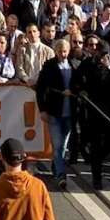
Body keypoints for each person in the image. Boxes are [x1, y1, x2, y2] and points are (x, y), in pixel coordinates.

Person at [73, 41, 110, 189]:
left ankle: (97, 159)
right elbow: (76, 81)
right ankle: (97, 177)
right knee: (96, 144)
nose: (102, 57)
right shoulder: (88, 64)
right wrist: (81, 90)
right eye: (100, 54)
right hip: (93, 111)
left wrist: (109, 68)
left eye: (105, 55)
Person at [36, 38, 74, 188]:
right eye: (60, 51)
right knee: (57, 145)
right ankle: (60, 175)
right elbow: (41, 89)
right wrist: (43, 109)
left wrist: (74, 91)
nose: (63, 54)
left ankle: (56, 166)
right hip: (54, 111)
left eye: (65, 51)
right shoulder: (49, 66)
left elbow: (78, 84)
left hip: (70, 112)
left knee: (64, 146)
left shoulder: (73, 65)